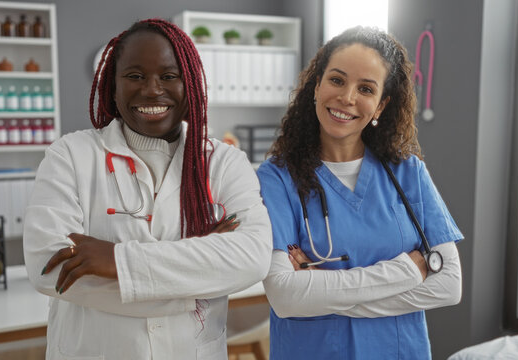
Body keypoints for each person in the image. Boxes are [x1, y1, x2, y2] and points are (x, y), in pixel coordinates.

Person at [23, 18, 272, 359]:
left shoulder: (224, 162)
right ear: (112, 86)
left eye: (169, 76)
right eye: (135, 76)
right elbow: (47, 268)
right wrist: (197, 285)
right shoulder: (70, 155)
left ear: (191, 85)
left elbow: (252, 258)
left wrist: (117, 260)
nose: (152, 90)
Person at [257, 26, 463, 359]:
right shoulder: (277, 178)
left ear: (380, 106)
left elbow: (449, 285)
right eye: (337, 80)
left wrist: (326, 294)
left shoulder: (407, 172)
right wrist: (406, 272)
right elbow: (285, 295)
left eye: (365, 88)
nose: (348, 97)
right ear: (316, 86)